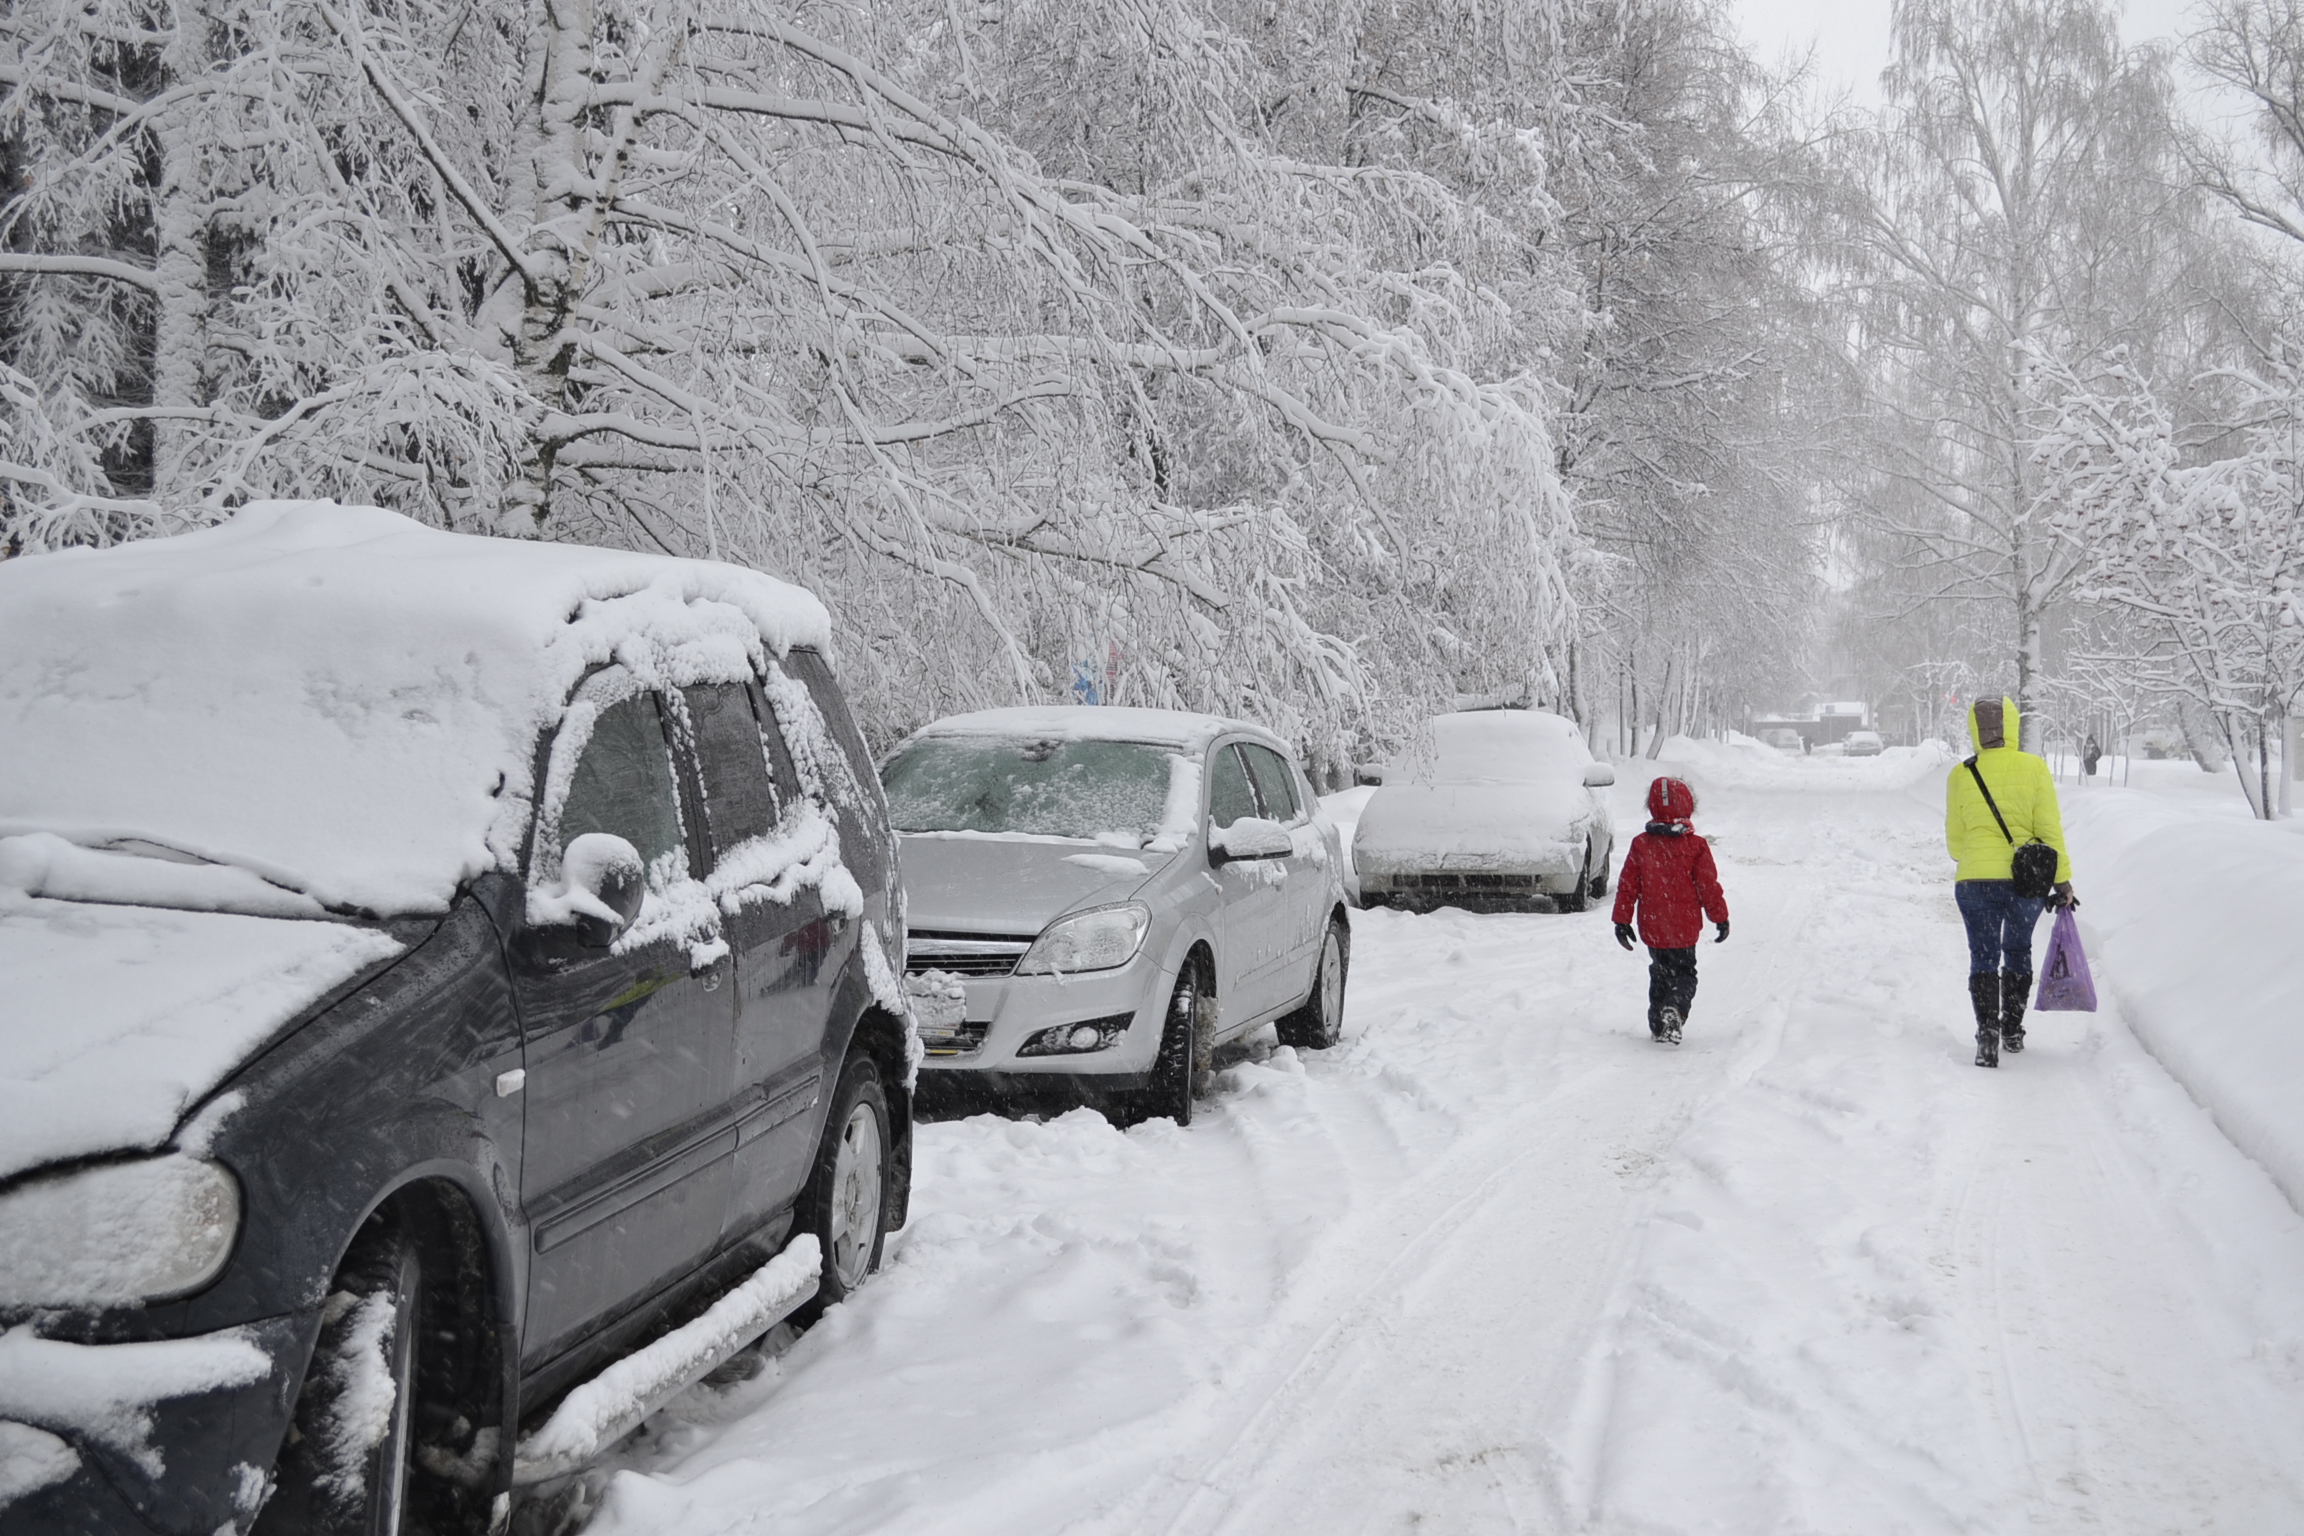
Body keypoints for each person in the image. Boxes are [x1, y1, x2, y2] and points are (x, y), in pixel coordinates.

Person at [1946, 697, 2076, 1068]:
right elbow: (2049, 831)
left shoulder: (1961, 774)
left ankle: (1986, 1032)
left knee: (1982, 956)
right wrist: (2062, 882)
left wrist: (1975, 854)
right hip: (2025, 883)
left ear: (1974, 728)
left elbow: (1955, 842)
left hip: (1974, 881)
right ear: (2013, 726)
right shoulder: (2034, 768)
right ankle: (2013, 1030)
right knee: (2017, 950)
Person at [1612, 776, 1729, 1045]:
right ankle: (1675, 1008)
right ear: (1688, 805)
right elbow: (1708, 886)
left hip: (1653, 926)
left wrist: (1622, 920)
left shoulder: (1641, 844)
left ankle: (1657, 1025)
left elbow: (1628, 885)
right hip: (1685, 927)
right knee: (1685, 973)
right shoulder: (1695, 846)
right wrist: (1720, 917)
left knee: (1660, 971)